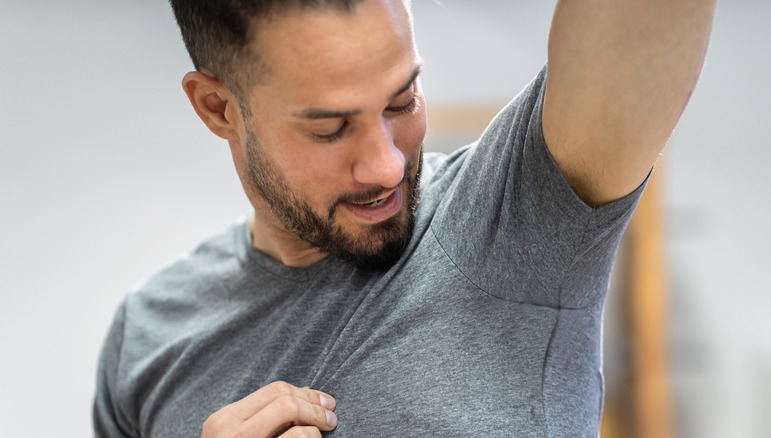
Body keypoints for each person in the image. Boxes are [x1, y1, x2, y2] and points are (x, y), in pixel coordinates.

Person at [94, 0, 715, 436]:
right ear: (217, 108)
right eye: (330, 129)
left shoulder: (513, 214)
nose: (388, 167)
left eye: (403, 101)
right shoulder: (148, 336)